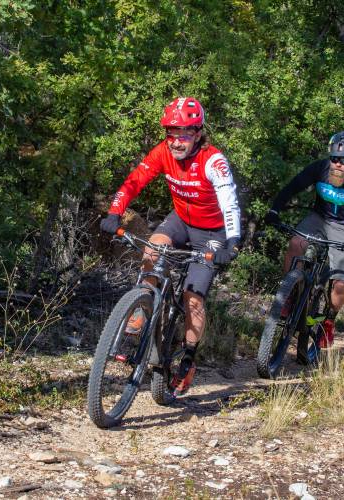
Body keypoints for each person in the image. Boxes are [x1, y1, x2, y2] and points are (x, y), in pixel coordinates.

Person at [99, 96, 242, 396]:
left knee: (193, 299)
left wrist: (232, 241)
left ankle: (188, 357)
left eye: (185, 135)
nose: (177, 142)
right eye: (171, 134)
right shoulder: (163, 151)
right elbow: (135, 181)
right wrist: (115, 211)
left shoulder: (213, 161)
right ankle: (143, 305)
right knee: (152, 248)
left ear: (199, 133)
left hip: (211, 231)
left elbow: (229, 202)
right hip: (181, 219)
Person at [263, 131, 344, 351]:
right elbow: (292, 186)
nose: (338, 165)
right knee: (296, 244)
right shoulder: (320, 168)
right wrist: (274, 209)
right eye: (334, 159)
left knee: (340, 283)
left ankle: (329, 320)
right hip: (319, 219)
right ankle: (290, 294)